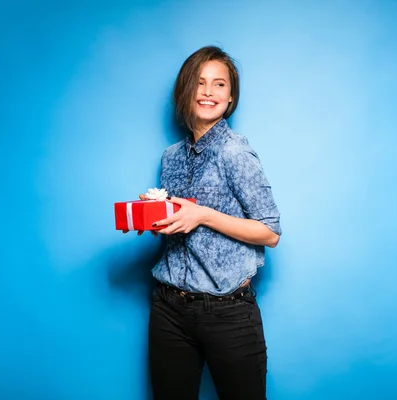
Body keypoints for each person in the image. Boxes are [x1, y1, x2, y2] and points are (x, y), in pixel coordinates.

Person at [139, 46, 281, 400]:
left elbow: (271, 232)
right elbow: (181, 229)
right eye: (200, 83)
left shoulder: (235, 152)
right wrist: (155, 214)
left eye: (219, 84)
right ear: (185, 90)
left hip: (228, 312)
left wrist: (202, 214)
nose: (208, 92)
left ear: (230, 97)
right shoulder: (170, 157)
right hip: (169, 309)